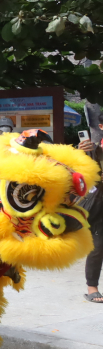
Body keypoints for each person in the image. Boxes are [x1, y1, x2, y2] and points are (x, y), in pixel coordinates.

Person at [80, 103, 103, 304]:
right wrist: (81, 152)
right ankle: (92, 286)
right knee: (98, 245)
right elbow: (78, 171)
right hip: (99, 204)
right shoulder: (92, 149)